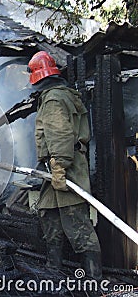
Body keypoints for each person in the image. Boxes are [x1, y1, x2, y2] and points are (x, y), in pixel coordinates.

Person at [28, 51, 102, 279]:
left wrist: (59, 167)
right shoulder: (60, 95)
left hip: (64, 168)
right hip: (55, 170)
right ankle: (53, 272)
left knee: (77, 225)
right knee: (50, 217)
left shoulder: (53, 99)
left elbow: (59, 135)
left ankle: (94, 281)